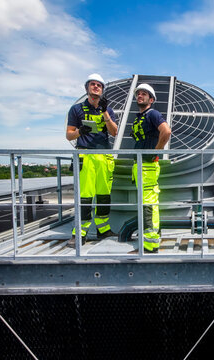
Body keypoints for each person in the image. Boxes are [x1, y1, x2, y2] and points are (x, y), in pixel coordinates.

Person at [66, 73, 118, 247]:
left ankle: (103, 229)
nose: (96, 87)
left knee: (104, 195)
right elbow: (68, 135)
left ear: (102, 90)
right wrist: (81, 132)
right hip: (85, 156)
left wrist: (104, 113)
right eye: (93, 84)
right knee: (85, 196)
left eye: (99, 85)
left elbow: (114, 132)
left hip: (104, 156)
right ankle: (80, 233)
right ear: (87, 87)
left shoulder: (108, 110)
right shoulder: (76, 109)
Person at [130, 83, 171, 253]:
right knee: (147, 202)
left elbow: (166, 131)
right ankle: (152, 236)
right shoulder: (139, 117)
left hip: (148, 165)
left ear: (151, 99)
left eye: (144, 94)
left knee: (149, 203)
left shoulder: (152, 114)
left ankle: (151, 243)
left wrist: (157, 150)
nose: (140, 95)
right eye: (138, 93)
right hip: (140, 165)